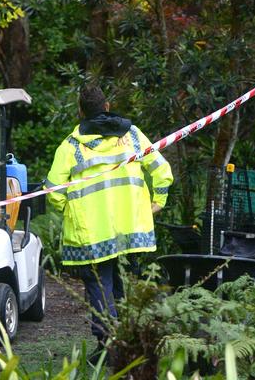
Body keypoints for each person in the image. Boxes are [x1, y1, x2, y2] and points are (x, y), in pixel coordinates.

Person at [45, 84, 173, 356]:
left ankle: (109, 347)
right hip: (132, 229)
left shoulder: (70, 147)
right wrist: (158, 201)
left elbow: (53, 192)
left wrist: (70, 212)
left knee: (100, 286)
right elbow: (162, 170)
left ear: (80, 111)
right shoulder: (132, 135)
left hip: (92, 233)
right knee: (124, 282)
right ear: (106, 106)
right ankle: (128, 341)